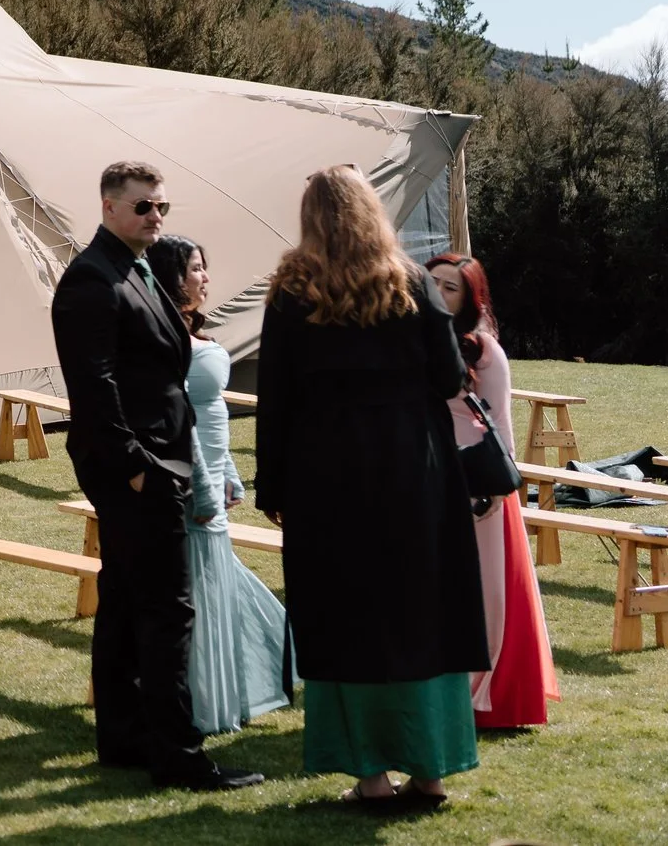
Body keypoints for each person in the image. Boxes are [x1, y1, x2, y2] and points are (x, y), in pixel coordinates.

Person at [254, 166, 487, 808]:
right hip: (413, 466)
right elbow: (447, 379)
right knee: (421, 609)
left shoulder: (292, 289)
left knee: (345, 610)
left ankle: (370, 776)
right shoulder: (412, 281)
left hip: (325, 472)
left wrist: (270, 485)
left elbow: (273, 399)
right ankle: (431, 770)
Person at [51, 161, 263, 792]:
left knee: (122, 601)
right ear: (109, 207)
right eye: (143, 207)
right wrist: (138, 470)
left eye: (162, 207)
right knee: (167, 612)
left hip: (159, 460)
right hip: (138, 468)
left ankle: (124, 737)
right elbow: (95, 387)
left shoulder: (136, 269)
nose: (156, 218)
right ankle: (180, 755)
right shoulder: (92, 279)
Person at [149, 235, 294, 734]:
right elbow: (179, 417)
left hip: (213, 471)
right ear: (173, 276)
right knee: (198, 587)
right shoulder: (163, 336)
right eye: (195, 269)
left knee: (214, 579)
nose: (205, 277)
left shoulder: (195, 332)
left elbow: (213, 413)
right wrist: (206, 485)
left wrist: (229, 472)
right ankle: (202, 699)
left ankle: (239, 680)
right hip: (188, 479)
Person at [429, 251, 558, 730]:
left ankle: (483, 694)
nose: (439, 293)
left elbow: (499, 425)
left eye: (450, 287)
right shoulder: (416, 340)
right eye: (433, 283)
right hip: (430, 481)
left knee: (485, 596)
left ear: (469, 297)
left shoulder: (483, 350)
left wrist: (493, 494)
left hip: (477, 488)